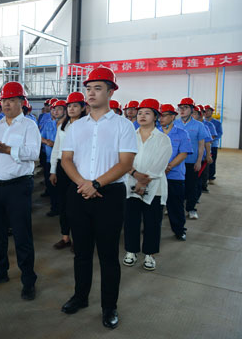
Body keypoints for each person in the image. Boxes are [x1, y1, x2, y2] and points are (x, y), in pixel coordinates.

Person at [59, 67, 137, 330]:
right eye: (88, 88)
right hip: (79, 192)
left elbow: (125, 163)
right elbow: (66, 159)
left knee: (107, 254)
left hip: (109, 195)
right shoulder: (76, 126)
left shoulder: (123, 125)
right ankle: (80, 297)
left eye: (98, 88)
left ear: (111, 91)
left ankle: (109, 306)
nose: (91, 93)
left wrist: (96, 184)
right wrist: (83, 184)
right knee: (81, 252)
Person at [0, 81, 41, 301]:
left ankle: (28, 280)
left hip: (17, 187)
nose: (6, 104)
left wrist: (7, 149)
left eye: (12, 100)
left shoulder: (29, 126)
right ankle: (0, 270)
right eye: (4, 100)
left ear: (22, 102)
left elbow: (34, 153)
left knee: (22, 235)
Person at [122, 99, 172, 272]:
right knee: (131, 221)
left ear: (156, 117)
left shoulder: (163, 139)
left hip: (154, 187)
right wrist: (135, 175)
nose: (142, 116)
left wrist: (143, 181)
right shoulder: (129, 136)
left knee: (152, 223)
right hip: (130, 184)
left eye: (147, 113)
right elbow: (123, 159)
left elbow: (160, 164)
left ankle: (150, 254)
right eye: (140, 113)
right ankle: (131, 251)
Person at [49, 92, 86, 250]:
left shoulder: (87, 126)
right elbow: (56, 148)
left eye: (75, 106)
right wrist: (53, 170)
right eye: (69, 106)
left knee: (78, 205)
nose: (71, 109)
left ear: (83, 108)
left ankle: (79, 239)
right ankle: (65, 237)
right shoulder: (62, 126)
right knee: (63, 203)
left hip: (79, 168)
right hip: (62, 167)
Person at [159, 104, 193, 241]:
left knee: (175, 204)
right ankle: (151, 227)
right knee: (155, 204)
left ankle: (179, 230)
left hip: (174, 175)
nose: (161, 118)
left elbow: (183, 153)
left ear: (173, 116)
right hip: (155, 175)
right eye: (159, 115)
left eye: (164, 115)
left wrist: (169, 167)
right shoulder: (154, 132)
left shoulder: (181, 133)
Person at [174, 98, 208, 220]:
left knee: (191, 186)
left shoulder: (199, 125)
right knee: (176, 186)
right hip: (176, 162)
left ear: (192, 109)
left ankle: (191, 208)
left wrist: (199, 161)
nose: (182, 110)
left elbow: (201, 144)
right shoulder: (174, 123)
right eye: (180, 108)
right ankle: (175, 207)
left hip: (191, 161)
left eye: (186, 108)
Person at [40, 100, 62, 214]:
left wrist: (56, 144)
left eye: (59, 109)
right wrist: (47, 142)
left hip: (63, 160)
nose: (55, 111)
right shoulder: (48, 124)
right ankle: (55, 207)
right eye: (54, 109)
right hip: (49, 159)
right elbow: (40, 137)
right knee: (51, 184)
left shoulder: (68, 125)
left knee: (61, 185)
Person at [195, 105, 216, 193]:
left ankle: (202, 187)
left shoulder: (205, 126)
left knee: (202, 174)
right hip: (191, 156)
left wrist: (208, 155)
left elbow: (208, 141)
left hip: (202, 155)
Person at [203, 105, 222, 183]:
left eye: (208, 111)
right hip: (203, 145)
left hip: (213, 145)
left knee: (212, 161)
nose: (206, 112)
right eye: (205, 111)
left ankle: (211, 177)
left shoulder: (217, 123)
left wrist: (212, 139)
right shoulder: (201, 122)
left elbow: (220, 133)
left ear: (212, 112)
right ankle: (204, 177)